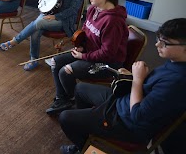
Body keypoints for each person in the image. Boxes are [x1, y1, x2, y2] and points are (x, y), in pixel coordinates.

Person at [58, 18, 186, 154]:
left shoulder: (177, 81)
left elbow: (138, 116)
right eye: (158, 39)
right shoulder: (175, 63)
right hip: (125, 102)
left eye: (165, 43)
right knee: (80, 89)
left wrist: (137, 80)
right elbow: (151, 89)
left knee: (65, 118)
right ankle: (86, 137)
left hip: (128, 124)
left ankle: (84, 147)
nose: (157, 45)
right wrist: (132, 77)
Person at [46, 0, 128, 115]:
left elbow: (108, 53)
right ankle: (63, 99)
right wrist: (82, 45)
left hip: (108, 63)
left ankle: (75, 99)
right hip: (90, 53)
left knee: (66, 71)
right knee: (55, 62)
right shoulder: (92, 9)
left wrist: (83, 56)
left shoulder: (113, 21)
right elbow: (85, 30)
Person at [0, 0, 84, 71]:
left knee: (38, 23)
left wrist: (56, 16)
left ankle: (14, 41)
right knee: (36, 30)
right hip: (48, 15)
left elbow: (73, 10)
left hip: (64, 21)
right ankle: (34, 59)